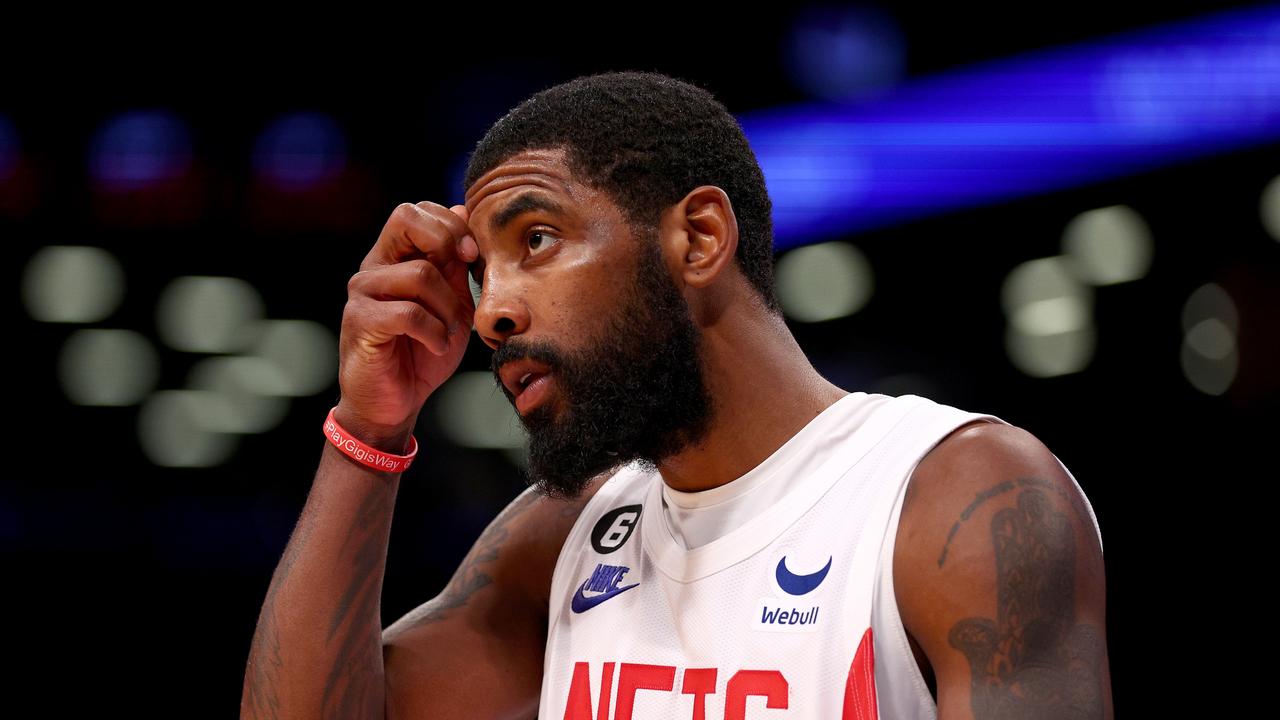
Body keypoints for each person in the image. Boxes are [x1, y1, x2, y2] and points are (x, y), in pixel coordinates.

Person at [241, 70, 1112, 719]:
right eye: (483, 273)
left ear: (698, 238)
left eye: (535, 239)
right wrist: (369, 427)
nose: (491, 312)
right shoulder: (572, 530)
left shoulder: (949, 498)